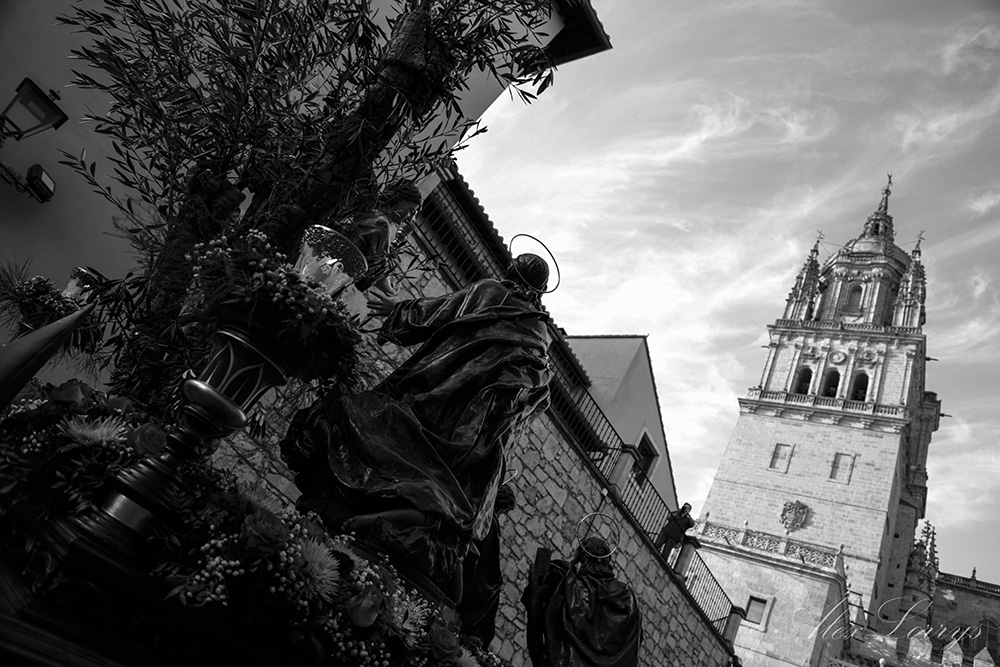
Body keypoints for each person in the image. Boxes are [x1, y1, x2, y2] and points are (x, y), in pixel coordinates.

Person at [280, 254, 552, 603]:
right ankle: (418, 518)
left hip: (438, 394)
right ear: (541, 291)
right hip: (478, 429)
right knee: (439, 478)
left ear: (511, 271)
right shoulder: (541, 338)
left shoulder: (491, 292)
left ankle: (375, 509)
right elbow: (536, 400)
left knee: (374, 429)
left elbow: (439, 312)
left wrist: (398, 310)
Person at [521, 536, 642, 667]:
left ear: (583, 559)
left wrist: (536, 597)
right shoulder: (626, 595)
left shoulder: (570, 586)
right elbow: (635, 639)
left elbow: (543, 623)